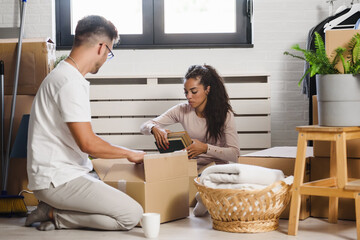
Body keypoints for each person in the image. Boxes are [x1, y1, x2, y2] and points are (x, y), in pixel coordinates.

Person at [25, 15, 145, 231]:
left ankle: (52, 209)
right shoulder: (69, 82)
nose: (106, 58)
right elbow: (87, 144)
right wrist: (129, 153)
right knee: (131, 214)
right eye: (110, 53)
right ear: (102, 47)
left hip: (60, 175)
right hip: (58, 180)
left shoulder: (62, 75)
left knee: (119, 205)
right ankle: (55, 214)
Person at [140, 65, 240, 169]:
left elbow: (235, 154)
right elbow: (143, 127)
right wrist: (153, 128)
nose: (188, 96)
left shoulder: (225, 114)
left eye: (194, 91)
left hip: (216, 171)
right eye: (186, 92)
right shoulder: (182, 110)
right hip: (190, 169)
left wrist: (205, 148)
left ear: (207, 89)